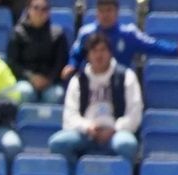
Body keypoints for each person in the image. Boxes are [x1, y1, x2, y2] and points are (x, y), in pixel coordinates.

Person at [49, 32, 141, 168]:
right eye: (94, 51)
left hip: (116, 132)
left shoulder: (127, 76)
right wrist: (87, 127)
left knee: (127, 145)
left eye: (103, 50)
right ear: (88, 55)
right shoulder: (78, 80)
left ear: (110, 53)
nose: (99, 55)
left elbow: (134, 114)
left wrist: (115, 128)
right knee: (58, 143)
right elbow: (69, 116)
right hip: (86, 133)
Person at [63, 0, 178, 81]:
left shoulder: (129, 34)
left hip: (121, 84)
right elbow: (76, 54)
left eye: (109, 10)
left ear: (117, 12)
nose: (105, 15)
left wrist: (176, 50)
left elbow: (153, 45)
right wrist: (71, 65)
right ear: (96, 13)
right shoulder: (86, 33)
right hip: (92, 83)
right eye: (101, 11)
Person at [7, 0, 68, 105]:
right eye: (36, 8)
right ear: (28, 10)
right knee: (25, 93)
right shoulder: (17, 33)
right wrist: (31, 77)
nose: (39, 12)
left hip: (50, 82)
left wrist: (49, 79)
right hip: (25, 80)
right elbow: (12, 63)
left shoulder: (58, 34)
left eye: (44, 9)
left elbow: (61, 62)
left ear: (49, 12)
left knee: (56, 95)